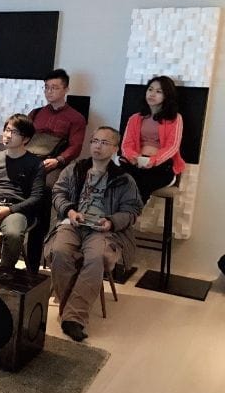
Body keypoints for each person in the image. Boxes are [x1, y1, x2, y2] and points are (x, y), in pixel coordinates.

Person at [44, 126, 143, 342]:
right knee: (59, 251)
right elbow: (58, 193)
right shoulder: (75, 169)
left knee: (96, 257)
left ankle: (73, 318)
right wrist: (70, 211)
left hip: (102, 229)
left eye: (104, 143)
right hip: (73, 222)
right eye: (95, 141)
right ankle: (72, 313)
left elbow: (133, 210)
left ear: (115, 148)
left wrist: (111, 221)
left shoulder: (124, 179)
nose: (98, 146)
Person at [27, 69, 88, 272]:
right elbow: (24, 137)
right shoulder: (36, 113)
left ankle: (35, 259)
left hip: (55, 165)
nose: (49, 91)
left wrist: (58, 160)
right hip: (31, 162)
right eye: (46, 87)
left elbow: (75, 147)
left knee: (45, 190)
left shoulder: (76, 118)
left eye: (54, 87)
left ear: (66, 89)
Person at [0, 114, 45, 275]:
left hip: (14, 209)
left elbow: (37, 197)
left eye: (14, 132)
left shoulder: (35, 164)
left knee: (13, 234)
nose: (8, 135)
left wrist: (10, 210)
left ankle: (5, 272)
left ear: (26, 138)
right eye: (7, 130)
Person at [119, 75, 185, 203]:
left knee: (140, 183)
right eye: (150, 89)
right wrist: (133, 158)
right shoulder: (135, 118)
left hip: (161, 166)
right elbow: (126, 144)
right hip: (136, 163)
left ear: (167, 96)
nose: (152, 94)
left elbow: (173, 146)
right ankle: (123, 212)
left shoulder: (175, 118)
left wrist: (153, 161)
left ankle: (129, 212)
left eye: (159, 91)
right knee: (120, 179)